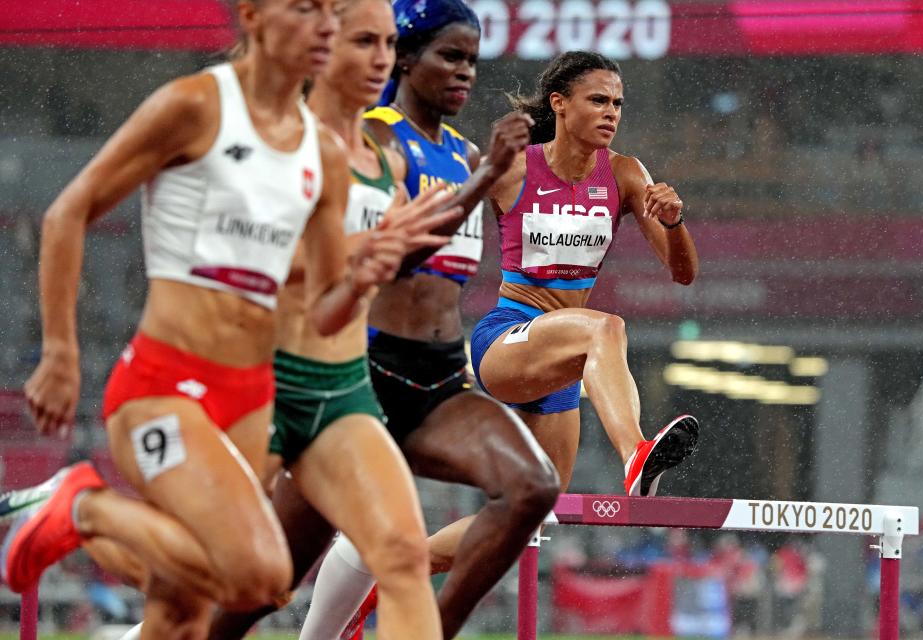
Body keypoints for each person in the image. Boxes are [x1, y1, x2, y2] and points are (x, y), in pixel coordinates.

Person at [0, 1, 452, 638]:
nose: (324, 26)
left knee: (186, 610)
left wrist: (368, 267)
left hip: (250, 396)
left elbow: (323, 308)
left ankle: (91, 520)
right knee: (257, 576)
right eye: (306, 10)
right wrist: (59, 352)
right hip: (164, 385)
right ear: (252, 17)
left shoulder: (321, 151)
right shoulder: (195, 105)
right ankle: (81, 503)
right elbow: (67, 213)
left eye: (330, 13)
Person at [208, 1, 558, 639]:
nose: (466, 74)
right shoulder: (372, 137)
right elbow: (389, 262)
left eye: (473, 61)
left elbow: (450, 267)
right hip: (359, 380)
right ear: (405, 57)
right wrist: (483, 182)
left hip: (439, 382)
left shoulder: (465, 150)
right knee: (263, 587)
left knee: (532, 487)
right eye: (449, 56)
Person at [468, 50, 701, 500]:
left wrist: (674, 222)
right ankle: (636, 455)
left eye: (617, 104)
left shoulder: (624, 173)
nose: (610, 113)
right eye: (598, 101)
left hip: (563, 362)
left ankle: (405, 567)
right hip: (505, 339)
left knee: (531, 510)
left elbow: (683, 273)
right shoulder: (514, 167)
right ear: (559, 103)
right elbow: (443, 212)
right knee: (606, 327)